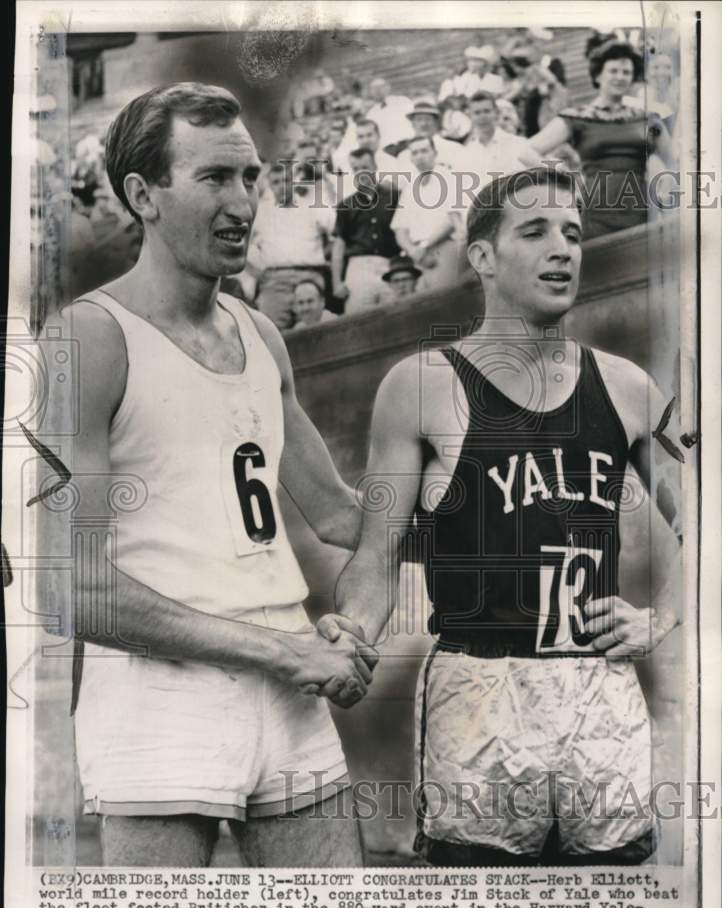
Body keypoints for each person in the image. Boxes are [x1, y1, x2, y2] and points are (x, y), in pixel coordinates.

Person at [44, 83, 377, 868]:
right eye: (214, 179)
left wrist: (468, 513)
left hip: (293, 691)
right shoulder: (90, 339)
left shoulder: (261, 331)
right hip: (161, 697)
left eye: (250, 177)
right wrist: (283, 651)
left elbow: (339, 515)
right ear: (142, 195)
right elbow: (73, 588)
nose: (242, 202)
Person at [319, 167, 681, 866]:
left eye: (574, 234)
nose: (564, 249)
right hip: (479, 686)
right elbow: (376, 554)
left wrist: (660, 617)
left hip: (595, 686)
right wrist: (355, 629)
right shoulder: (422, 385)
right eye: (536, 230)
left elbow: (704, 522)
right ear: (482, 256)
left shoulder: (629, 386)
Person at [529, 37, 674, 239]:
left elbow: (674, 161)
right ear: (598, 76)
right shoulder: (578, 117)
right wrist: (563, 175)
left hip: (640, 213)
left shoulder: (647, 118)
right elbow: (526, 151)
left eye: (626, 72)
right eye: (613, 71)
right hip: (595, 214)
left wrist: (664, 193)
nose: (620, 77)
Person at [246, 162, 335, 329]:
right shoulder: (261, 212)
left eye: (286, 180)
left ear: (294, 181)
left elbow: (337, 234)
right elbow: (241, 245)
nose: (282, 186)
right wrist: (257, 272)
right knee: (272, 333)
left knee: (317, 331)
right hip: (275, 281)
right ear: (270, 185)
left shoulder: (312, 205)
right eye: (276, 182)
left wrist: (326, 254)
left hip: (310, 276)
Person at [332, 147, 400, 314]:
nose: (361, 173)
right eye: (356, 169)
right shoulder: (345, 206)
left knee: (394, 316)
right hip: (359, 268)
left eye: (365, 167)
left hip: (389, 265)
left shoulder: (395, 197)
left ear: (375, 167)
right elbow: (339, 245)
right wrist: (336, 282)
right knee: (358, 319)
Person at [390, 135, 462, 292]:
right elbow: (400, 230)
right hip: (417, 257)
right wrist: (413, 251)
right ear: (411, 158)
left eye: (424, 151)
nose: (420, 156)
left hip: (443, 248)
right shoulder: (410, 187)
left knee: (445, 301)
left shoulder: (449, 178)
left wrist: (425, 247)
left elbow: (451, 222)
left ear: (434, 153)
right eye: (415, 153)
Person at [464, 91, 540, 192]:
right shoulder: (469, 151)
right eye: (477, 113)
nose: (482, 117)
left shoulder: (516, 143)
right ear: (470, 116)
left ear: (496, 113)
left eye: (487, 111)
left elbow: (543, 171)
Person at [393, 98, 472, 175]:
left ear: (436, 122)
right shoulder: (404, 156)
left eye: (428, 119)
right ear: (412, 124)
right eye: (419, 120)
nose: (423, 124)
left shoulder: (455, 149)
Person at [365, 77, 415, 149]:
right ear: (370, 92)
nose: (378, 91)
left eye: (381, 87)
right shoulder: (371, 114)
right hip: (387, 148)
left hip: (406, 142)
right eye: (374, 88)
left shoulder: (402, 101)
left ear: (388, 87)